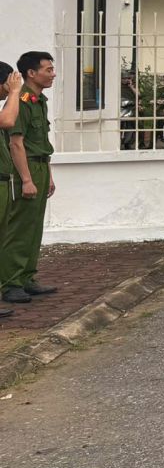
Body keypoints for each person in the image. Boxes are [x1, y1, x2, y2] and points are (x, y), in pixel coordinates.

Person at [1, 52, 60, 307]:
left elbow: (42, 143)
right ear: (32, 73)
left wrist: (48, 175)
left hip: (39, 166)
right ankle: (11, 283)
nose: (53, 73)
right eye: (48, 69)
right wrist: (26, 179)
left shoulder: (39, 100)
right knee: (19, 229)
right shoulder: (22, 99)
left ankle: (26, 277)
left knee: (34, 227)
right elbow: (17, 142)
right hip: (24, 169)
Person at [0, 62, 23, 319]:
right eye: (9, 82)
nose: (10, 88)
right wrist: (16, 93)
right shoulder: (10, 102)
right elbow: (8, 120)